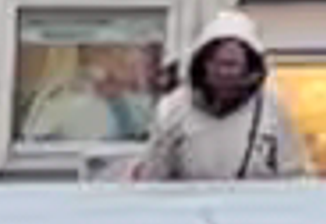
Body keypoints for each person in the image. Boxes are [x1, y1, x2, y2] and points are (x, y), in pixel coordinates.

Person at [134, 31, 313, 183]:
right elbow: (152, 175)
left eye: (231, 65)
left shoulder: (272, 107)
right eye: (216, 63)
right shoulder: (174, 108)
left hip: (254, 216)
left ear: (247, 68)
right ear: (203, 65)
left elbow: (295, 173)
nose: (223, 72)